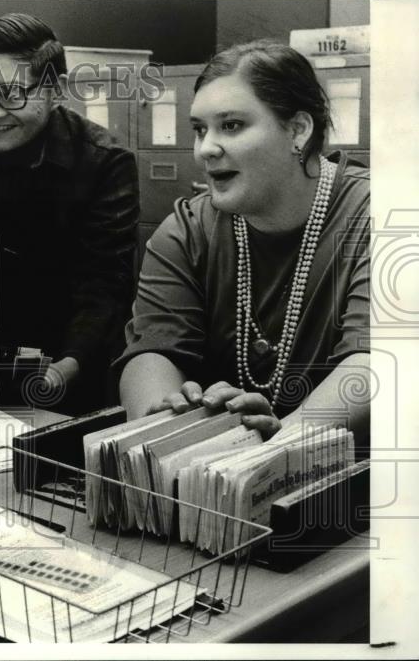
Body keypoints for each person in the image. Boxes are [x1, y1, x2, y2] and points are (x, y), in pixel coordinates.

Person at [117, 41, 369, 446]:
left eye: (231, 125)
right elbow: (153, 349)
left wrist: (278, 445)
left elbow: (374, 366)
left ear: (298, 130)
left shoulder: (377, 216)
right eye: (200, 129)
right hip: (212, 485)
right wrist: (164, 423)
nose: (205, 149)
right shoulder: (185, 230)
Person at [0, 13, 139, 412]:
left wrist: (66, 367)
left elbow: (104, 283)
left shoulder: (104, 161)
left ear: (54, 91)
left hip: (73, 362)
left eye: (9, 95)